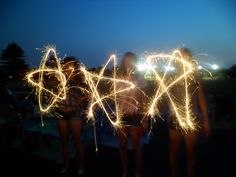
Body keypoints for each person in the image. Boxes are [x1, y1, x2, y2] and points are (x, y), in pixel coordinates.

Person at [168, 48, 210, 177]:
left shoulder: (195, 76)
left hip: (192, 117)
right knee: (174, 151)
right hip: (175, 118)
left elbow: (201, 98)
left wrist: (206, 120)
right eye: (181, 58)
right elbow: (164, 96)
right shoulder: (171, 77)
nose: (183, 60)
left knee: (191, 152)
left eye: (186, 58)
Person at [117, 52, 146, 177]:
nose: (128, 63)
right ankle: (125, 170)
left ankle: (137, 171)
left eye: (130, 61)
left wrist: (145, 119)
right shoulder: (118, 78)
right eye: (126, 61)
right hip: (122, 114)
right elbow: (116, 98)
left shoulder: (141, 79)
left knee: (136, 146)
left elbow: (144, 100)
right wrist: (117, 115)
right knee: (122, 145)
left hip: (135, 115)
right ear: (123, 63)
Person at [57, 57, 87, 177]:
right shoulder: (60, 78)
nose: (66, 67)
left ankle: (81, 166)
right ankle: (66, 165)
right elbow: (51, 89)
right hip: (61, 113)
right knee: (64, 141)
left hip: (74, 113)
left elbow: (90, 93)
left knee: (76, 141)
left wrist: (82, 99)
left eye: (69, 65)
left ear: (74, 66)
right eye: (65, 65)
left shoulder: (79, 79)